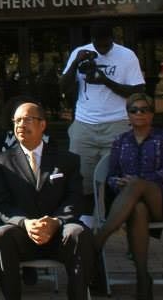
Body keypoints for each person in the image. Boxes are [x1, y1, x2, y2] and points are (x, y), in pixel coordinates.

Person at [0, 102, 96, 300]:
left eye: (27, 119)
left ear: (42, 125)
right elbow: (0, 205)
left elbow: (75, 199)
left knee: (79, 233)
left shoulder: (67, 160)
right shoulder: (0, 163)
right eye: (17, 121)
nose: (21, 125)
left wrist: (55, 222)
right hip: (22, 234)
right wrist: (25, 223)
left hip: (59, 235)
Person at [93, 93, 163, 300]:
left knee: (137, 185)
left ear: (152, 114)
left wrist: (135, 182)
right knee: (138, 208)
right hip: (130, 205)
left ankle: (97, 241)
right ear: (128, 115)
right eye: (134, 110)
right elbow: (111, 177)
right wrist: (121, 183)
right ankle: (143, 279)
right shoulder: (120, 141)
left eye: (144, 109)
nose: (139, 113)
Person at [60, 22, 145, 215]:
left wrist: (104, 81)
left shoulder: (127, 55)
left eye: (106, 45)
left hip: (117, 124)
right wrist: (75, 64)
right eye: (99, 46)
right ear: (92, 41)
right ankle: (87, 230)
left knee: (117, 181)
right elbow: (63, 87)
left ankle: (114, 225)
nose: (103, 50)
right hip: (84, 125)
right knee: (82, 183)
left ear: (112, 39)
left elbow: (137, 92)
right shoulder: (80, 52)